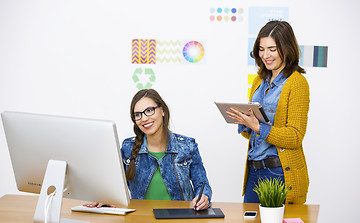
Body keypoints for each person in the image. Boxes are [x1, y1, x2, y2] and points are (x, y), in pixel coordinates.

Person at [226, 20, 310, 204]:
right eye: (261, 49)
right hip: (254, 169)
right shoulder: (258, 81)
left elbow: (295, 137)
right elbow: (255, 136)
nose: (265, 55)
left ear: (286, 48)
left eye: (272, 49)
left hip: (279, 172)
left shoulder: (296, 83)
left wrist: (258, 126)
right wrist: (245, 123)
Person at [86, 88, 212, 210]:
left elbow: (202, 185)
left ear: (162, 110)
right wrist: (104, 197)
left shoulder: (187, 146)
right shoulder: (128, 148)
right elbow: (113, 185)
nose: (144, 118)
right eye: (138, 115)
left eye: (149, 110)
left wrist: (204, 197)